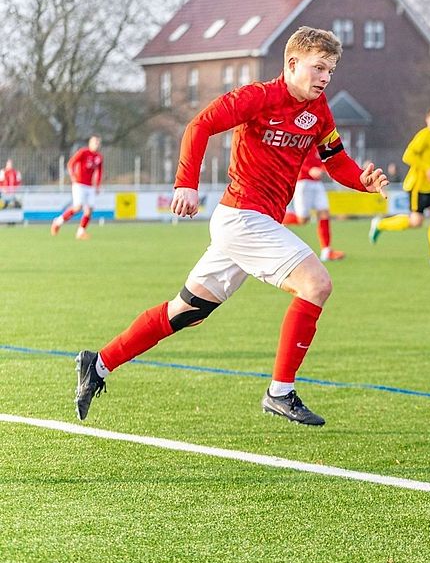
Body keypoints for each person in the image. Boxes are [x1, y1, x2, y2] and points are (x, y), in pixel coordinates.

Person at [74, 27, 388, 425]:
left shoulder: (319, 110)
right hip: (242, 217)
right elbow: (199, 125)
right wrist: (186, 184)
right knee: (316, 284)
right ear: (292, 64)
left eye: (331, 70)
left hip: (252, 224)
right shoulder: (258, 97)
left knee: (187, 311)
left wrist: (361, 180)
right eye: (319, 68)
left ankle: (98, 363)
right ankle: (280, 392)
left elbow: (335, 160)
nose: (325, 77)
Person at [369, 107, 430, 268]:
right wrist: (427, 169)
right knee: (416, 222)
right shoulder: (424, 135)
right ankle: (380, 224)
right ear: (427, 119)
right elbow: (408, 156)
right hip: (417, 186)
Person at [282, 149, 344, 261]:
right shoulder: (304, 141)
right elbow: (294, 159)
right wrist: (308, 169)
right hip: (303, 182)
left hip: (317, 183)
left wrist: (327, 169)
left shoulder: (320, 142)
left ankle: (326, 251)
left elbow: (324, 160)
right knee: (303, 220)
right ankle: (278, 220)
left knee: (324, 213)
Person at [51, 135, 103, 240]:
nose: (97, 145)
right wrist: (73, 176)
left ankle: (80, 232)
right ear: (90, 143)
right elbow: (71, 163)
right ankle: (58, 222)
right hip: (79, 184)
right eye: (95, 142)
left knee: (89, 209)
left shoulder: (99, 157)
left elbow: (99, 172)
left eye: (98, 143)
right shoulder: (83, 152)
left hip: (90, 186)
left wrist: (97, 185)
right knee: (78, 207)